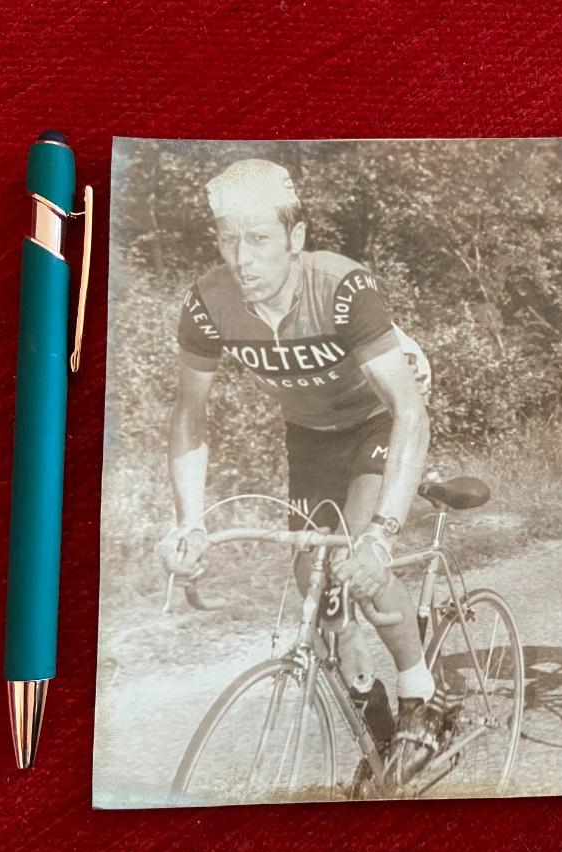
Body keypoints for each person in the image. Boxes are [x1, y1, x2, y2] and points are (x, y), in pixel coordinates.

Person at [158, 159, 441, 752]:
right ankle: (379, 722)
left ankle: (422, 691)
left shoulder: (342, 287)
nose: (242, 257)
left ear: (296, 237)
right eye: (228, 238)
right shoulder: (208, 304)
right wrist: (188, 520)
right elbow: (190, 413)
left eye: (259, 238)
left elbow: (410, 412)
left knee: (357, 564)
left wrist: (383, 534)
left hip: (379, 418)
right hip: (309, 431)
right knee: (317, 580)